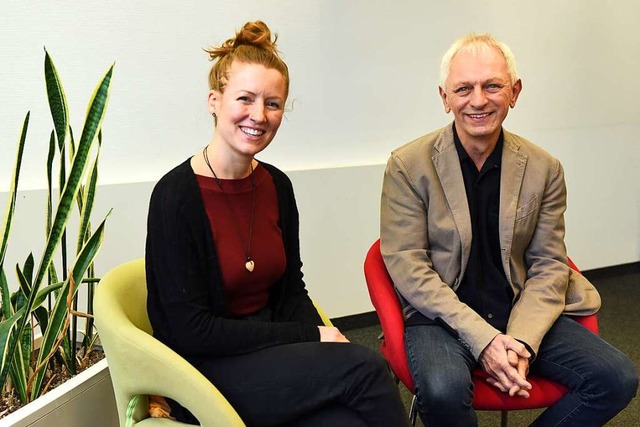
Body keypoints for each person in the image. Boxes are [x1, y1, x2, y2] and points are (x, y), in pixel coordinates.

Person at [145, 21, 410, 427]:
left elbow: (290, 293)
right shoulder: (175, 197)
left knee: (347, 419)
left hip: (270, 356)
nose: (259, 115)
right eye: (245, 99)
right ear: (214, 101)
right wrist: (310, 339)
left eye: (273, 103)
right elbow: (191, 331)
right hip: (204, 370)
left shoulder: (276, 186)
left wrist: (328, 336)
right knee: (368, 370)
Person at [380, 33, 638, 426]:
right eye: (463, 88)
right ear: (444, 97)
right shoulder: (407, 166)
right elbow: (408, 267)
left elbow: (550, 264)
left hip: (519, 309)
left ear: (514, 92)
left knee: (618, 378)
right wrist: (483, 340)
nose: (478, 100)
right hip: (443, 318)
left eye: (492, 86)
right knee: (443, 390)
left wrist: (521, 341)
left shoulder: (544, 168)